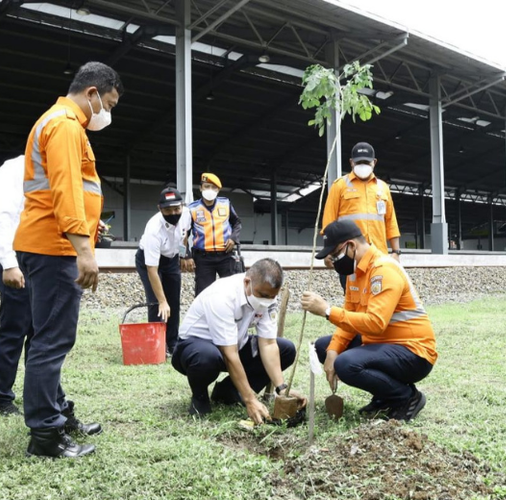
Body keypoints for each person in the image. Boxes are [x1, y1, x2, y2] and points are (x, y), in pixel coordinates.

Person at [13, 61, 123, 458]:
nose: (107, 114)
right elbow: (65, 191)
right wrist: (84, 249)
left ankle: (57, 411)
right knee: (53, 340)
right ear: (92, 93)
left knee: (46, 337)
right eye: (108, 104)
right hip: (54, 246)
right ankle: (45, 435)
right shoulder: (64, 125)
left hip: (46, 242)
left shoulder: (62, 123)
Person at [300, 220, 437, 422]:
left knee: (346, 364)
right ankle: (385, 396)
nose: (334, 261)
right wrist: (332, 351)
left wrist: (327, 311)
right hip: (382, 344)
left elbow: (375, 323)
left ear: (351, 246)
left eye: (335, 254)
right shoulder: (355, 273)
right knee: (324, 347)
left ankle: (407, 398)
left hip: (413, 352)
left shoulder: (384, 270)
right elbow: (350, 318)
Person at [172, 258, 305, 423]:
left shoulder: (268, 297)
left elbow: (268, 344)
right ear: (247, 282)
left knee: (286, 349)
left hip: (234, 344)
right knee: (207, 357)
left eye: (272, 296)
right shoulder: (222, 295)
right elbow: (229, 354)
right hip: (194, 348)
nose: (267, 300)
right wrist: (250, 400)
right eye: (263, 295)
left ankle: (229, 392)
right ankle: (200, 397)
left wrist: (282, 388)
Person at [322, 142, 401, 291]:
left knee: (378, 298)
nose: (362, 165)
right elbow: (329, 221)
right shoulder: (340, 186)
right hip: (350, 257)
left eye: (366, 162)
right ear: (351, 162)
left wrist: (396, 253)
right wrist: (328, 252)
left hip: (379, 257)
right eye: (359, 162)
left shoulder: (383, 188)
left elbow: (391, 222)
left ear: (374, 162)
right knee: (354, 300)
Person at [0, 155, 31, 416]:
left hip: (42, 261)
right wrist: (8, 262)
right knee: (14, 330)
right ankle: (1, 398)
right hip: (18, 259)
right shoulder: (14, 168)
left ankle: (38, 394)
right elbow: (3, 216)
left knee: (41, 334)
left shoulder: (57, 164)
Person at [136, 186, 192, 355]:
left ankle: (172, 343)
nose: (173, 213)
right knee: (156, 302)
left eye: (177, 208)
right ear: (159, 209)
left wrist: (183, 255)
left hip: (172, 259)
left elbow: (184, 236)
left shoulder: (187, 214)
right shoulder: (153, 229)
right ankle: (157, 344)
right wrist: (162, 301)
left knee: (173, 300)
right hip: (150, 261)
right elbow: (152, 270)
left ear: (182, 205)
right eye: (168, 210)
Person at [185, 172, 242, 296]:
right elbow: (184, 233)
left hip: (226, 256)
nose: (209, 190)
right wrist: (186, 255)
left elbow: (237, 222)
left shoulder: (226, 204)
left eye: (213, 187)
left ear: (218, 190)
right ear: (200, 188)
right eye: (206, 186)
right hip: (203, 258)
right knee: (203, 294)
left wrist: (233, 239)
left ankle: (230, 316)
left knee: (231, 292)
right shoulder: (192, 209)